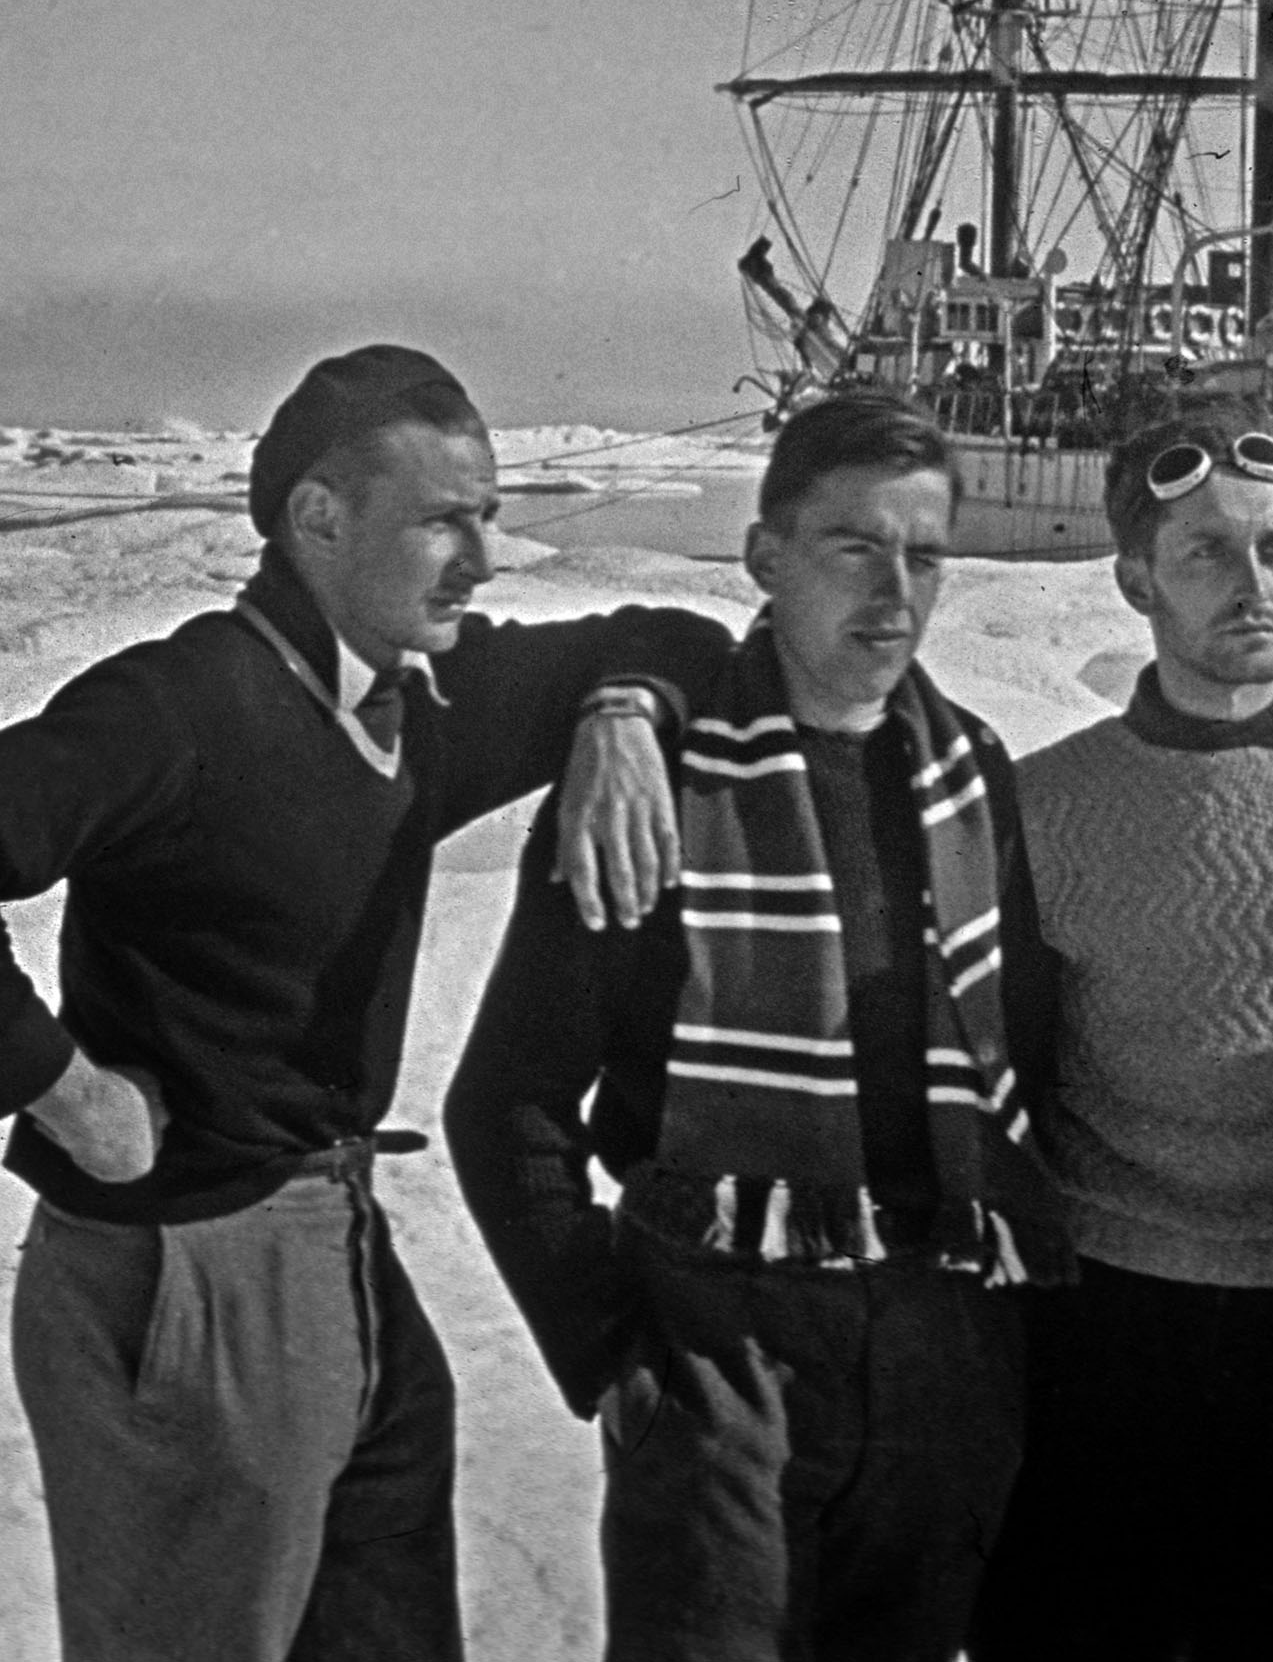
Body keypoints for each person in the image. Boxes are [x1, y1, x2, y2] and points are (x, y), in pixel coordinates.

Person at [0, 342, 731, 1662]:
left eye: (488, 514)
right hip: (187, 1272)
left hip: (336, 1243)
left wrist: (622, 716)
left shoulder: (418, 704)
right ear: (318, 517)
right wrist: (64, 1090)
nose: (483, 558)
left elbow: (670, 635)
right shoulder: (184, 705)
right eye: (440, 519)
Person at [443, 392, 1067, 1662]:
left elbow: (1025, 1065)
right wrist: (615, 1355)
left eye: (926, 555)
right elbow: (506, 1097)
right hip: (721, 1347)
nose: (895, 591)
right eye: (853, 548)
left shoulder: (971, 771)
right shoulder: (657, 785)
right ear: (766, 557)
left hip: (937, 1346)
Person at [971, 405, 1273, 1662]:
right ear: (1136, 579)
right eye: (1208, 554)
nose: (1256, 585)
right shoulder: (1044, 806)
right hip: (1116, 1351)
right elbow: (1002, 1102)